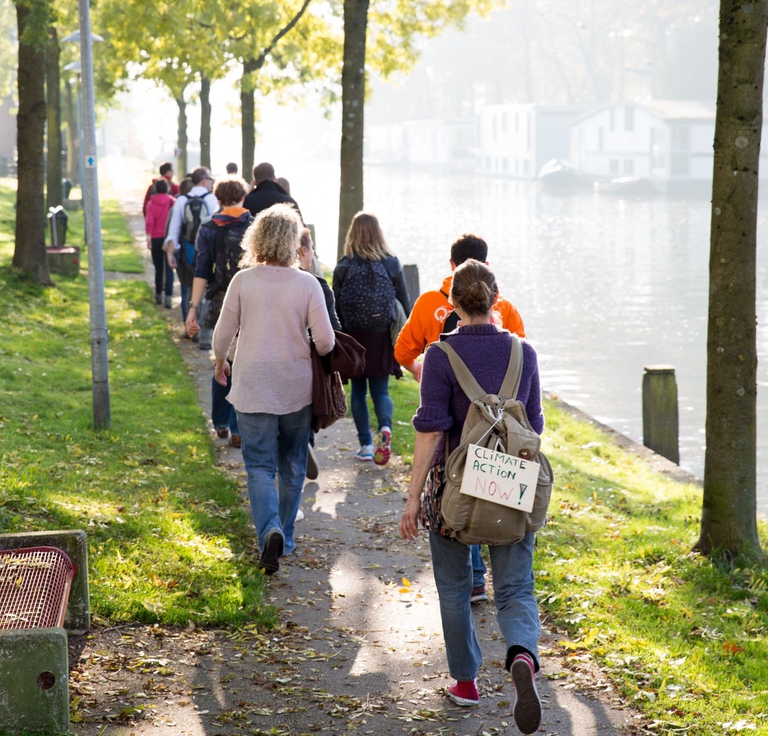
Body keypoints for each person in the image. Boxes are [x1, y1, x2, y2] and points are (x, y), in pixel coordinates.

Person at [399, 259, 543, 734]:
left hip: (453, 492)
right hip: (510, 486)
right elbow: (535, 427)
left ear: (453, 304)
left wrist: (413, 497)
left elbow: (431, 430)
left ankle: (465, 682)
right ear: (495, 300)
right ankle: (521, 652)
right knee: (517, 585)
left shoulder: (440, 356)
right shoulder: (525, 353)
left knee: (456, 588)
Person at [394, 233, 527, 604]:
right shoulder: (510, 313)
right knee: (511, 558)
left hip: (455, 443)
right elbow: (521, 379)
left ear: (452, 272)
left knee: (460, 499)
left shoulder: (427, 307)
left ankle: (472, 579)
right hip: (504, 446)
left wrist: (422, 372)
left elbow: (403, 352)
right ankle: (505, 614)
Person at [212, 204, 334, 575]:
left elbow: (222, 336)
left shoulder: (242, 281)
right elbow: (326, 342)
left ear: (256, 239)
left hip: (251, 385)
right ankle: (287, 537)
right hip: (297, 386)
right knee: (293, 462)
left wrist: (221, 361)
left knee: (259, 466)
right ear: (294, 243)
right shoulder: (308, 284)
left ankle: (269, 532)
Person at [332, 212, 410, 465]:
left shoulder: (344, 265)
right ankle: (385, 429)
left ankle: (365, 445)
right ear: (379, 233)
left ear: (352, 233)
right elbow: (405, 303)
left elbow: (334, 308)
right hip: (381, 335)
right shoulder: (391, 263)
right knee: (381, 390)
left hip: (355, 337)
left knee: (357, 390)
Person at [394, 233, 525, 382]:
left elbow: (402, 352)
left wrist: (417, 368)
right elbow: (521, 356)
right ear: (486, 266)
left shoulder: (428, 302)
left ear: (452, 264)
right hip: (490, 395)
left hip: (441, 385)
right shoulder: (503, 306)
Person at [186, 177, 253, 448]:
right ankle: (238, 427)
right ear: (242, 198)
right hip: (250, 301)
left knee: (221, 359)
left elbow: (202, 270)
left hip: (220, 302)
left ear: (218, 200)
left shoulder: (208, 228)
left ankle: (221, 422)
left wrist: (193, 309)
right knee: (241, 363)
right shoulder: (252, 225)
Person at [164, 167, 219, 323]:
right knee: (207, 291)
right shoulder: (211, 200)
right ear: (203, 180)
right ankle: (203, 330)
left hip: (186, 253)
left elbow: (173, 230)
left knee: (187, 289)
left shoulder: (181, 200)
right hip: (207, 253)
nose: (211, 182)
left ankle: (189, 327)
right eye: (210, 179)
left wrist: (170, 253)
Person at [144, 178, 175, 308]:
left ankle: (158, 295)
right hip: (168, 239)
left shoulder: (151, 203)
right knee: (169, 269)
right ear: (167, 188)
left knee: (158, 268)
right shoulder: (173, 202)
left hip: (156, 238)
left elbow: (149, 221)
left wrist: (149, 237)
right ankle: (168, 297)